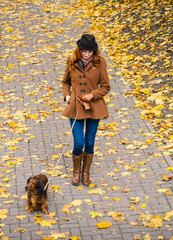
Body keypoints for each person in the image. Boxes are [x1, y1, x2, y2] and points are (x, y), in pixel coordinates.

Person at [61, 34, 110, 186]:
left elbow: (106, 87)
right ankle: (76, 171)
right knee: (78, 142)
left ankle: (85, 172)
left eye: (90, 52)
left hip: (94, 107)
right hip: (75, 107)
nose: (86, 54)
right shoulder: (72, 60)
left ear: (94, 52)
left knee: (89, 142)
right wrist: (67, 96)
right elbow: (65, 82)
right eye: (84, 51)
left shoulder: (100, 63)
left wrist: (92, 95)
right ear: (79, 49)